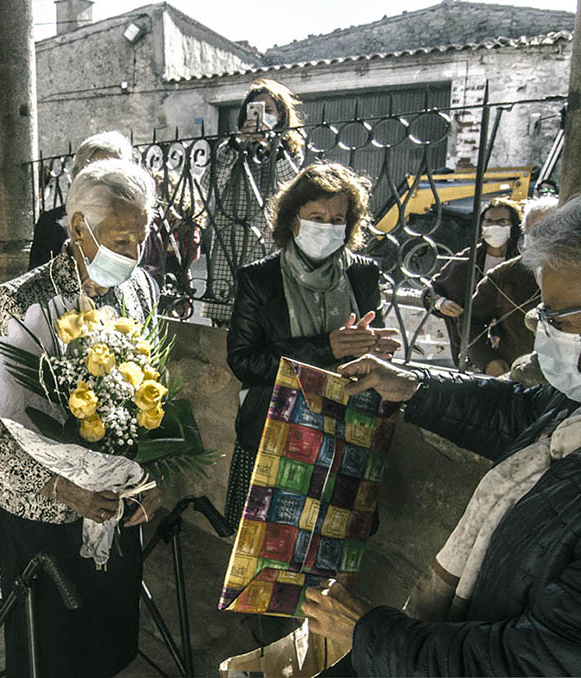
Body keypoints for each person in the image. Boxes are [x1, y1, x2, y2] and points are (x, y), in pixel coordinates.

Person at [302, 196, 581, 677]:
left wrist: (369, 632)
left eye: (559, 319)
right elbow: (520, 413)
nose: (542, 329)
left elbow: (535, 662)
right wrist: (412, 385)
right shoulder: (570, 405)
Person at [0, 159, 163, 677]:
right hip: (43, 514)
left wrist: (151, 479)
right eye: (121, 239)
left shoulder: (139, 291)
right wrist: (59, 487)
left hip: (116, 509)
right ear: (77, 228)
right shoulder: (21, 303)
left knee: (110, 640)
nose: (134, 255)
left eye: (142, 238)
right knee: (52, 655)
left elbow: (151, 399)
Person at [224, 162, 399, 530]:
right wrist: (325, 347)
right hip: (273, 433)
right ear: (293, 221)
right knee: (265, 544)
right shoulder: (259, 278)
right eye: (316, 216)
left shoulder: (362, 273)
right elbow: (244, 361)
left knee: (330, 544)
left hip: (345, 434)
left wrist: (376, 349)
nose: (328, 226)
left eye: (338, 220)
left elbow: (369, 339)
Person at [200, 78, 305, 325]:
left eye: (268, 110)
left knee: (260, 313)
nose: (261, 116)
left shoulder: (289, 149)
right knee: (225, 313)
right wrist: (238, 145)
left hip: (267, 238)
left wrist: (272, 149)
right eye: (255, 109)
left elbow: (292, 188)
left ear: (281, 115)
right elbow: (209, 183)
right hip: (230, 239)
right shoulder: (230, 147)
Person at [467, 196, 559, 376]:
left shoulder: (573, 274)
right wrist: (488, 360)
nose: (541, 239)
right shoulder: (504, 276)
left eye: (548, 230)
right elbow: (470, 320)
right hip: (519, 377)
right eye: (534, 232)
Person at [428, 197, 523, 365]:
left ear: (513, 226)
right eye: (488, 222)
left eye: (501, 222)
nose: (494, 227)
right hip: (472, 349)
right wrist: (441, 303)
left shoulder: (522, 262)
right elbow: (431, 290)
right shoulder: (468, 259)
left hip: (515, 350)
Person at [28, 131, 134, 269]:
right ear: (79, 176)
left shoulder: (135, 223)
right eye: (98, 173)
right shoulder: (51, 224)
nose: (106, 183)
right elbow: (36, 280)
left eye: (115, 174)